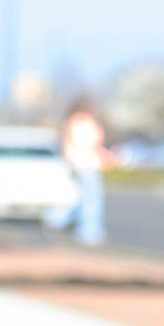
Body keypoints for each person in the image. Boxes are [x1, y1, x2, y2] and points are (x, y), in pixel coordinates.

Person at [62, 99, 109, 246]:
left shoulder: (79, 124)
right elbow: (81, 145)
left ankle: (58, 220)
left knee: (81, 198)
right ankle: (89, 233)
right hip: (85, 165)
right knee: (90, 201)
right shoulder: (80, 124)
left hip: (85, 164)